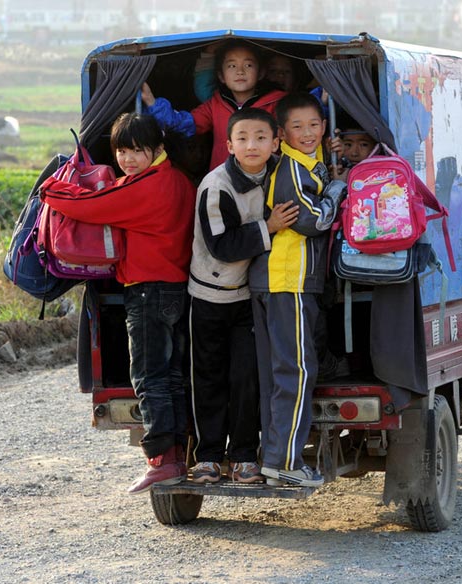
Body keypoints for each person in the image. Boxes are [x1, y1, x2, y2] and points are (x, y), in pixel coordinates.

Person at [39, 113, 196, 494]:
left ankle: (161, 459)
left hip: (148, 290)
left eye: (137, 151)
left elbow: (93, 205)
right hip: (176, 287)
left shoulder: (148, 186)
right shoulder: (178, 180)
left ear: (158, 149)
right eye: (121, 151)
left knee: (147, 375)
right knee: (172, 375)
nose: (127, 159)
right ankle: (178, 452)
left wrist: (50, 189)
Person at [186, 108, 300, 485]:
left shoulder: (281, 173)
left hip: (249, 297)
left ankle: (244, 457)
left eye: (261, 137)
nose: (253, 145)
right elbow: (222, 245)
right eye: (243, 138)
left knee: (247, 377)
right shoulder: (216, 186)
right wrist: (267, 226)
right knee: (209, 377)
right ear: (229, 144)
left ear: (276, 141)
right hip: (210, 296)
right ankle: (208, 456)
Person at [248, 93, 347, 488]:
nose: (307, 133)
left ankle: (274, 457)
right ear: (281, 134)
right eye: (297, 127)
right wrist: (336, 193)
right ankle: (285, 460)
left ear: (324, 127)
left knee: (279, 373)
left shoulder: (310, 163)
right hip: (287, 280)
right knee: (296, 371)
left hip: (279, 281)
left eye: (314, 125)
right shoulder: (290, 169)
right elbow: (312, 220)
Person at [142, 40, 286, 171]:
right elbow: (182, 124)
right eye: (231, 65)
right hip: (224, 181)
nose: (240, 71)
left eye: (248, 65)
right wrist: (151, 102)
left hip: (268, 181)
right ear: (221, 76)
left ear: (261, 73)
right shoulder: (215, 104)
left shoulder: (278, 103)